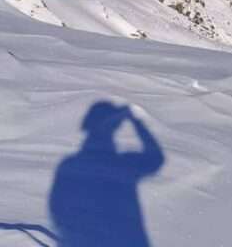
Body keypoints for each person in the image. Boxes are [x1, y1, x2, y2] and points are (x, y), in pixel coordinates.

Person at [49, 101, 165, 247]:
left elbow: (58, 210)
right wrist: (136, 121)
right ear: (115, 128)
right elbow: (156, 158)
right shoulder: (123, 164)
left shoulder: (70, 165)